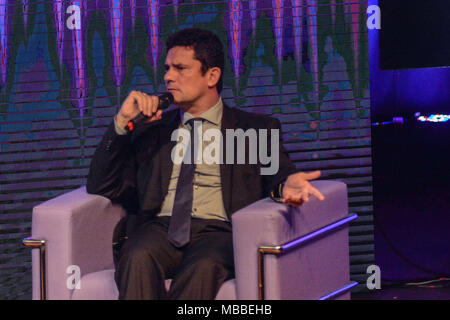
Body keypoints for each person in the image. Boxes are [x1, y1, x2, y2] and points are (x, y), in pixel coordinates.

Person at [86, 28, 324, 300]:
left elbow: (278, 176)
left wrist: (286, 185)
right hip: (160, 228)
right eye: (167, 68)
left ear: (212, 76)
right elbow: (101, 184)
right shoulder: (151, 129)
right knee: (138, 256)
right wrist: (120, 124)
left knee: (203, 267)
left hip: (219, 232)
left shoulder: (255, 129)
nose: (168, 77)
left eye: (180, 68)